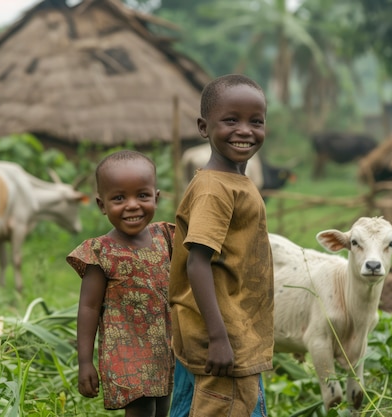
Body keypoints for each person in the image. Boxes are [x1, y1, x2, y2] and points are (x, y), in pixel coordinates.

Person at [169, 74, 274, 417]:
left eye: (255, 121)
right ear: (203, 127)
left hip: (234, 330)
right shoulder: (215, 189)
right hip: (221, 336)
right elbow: (197, 262)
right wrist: (218, 338)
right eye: (231, 120)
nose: (244, 130)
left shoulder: (236, 181)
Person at [67, 150, 175, 417]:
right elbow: (89, 308)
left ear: (156, 198)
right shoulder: (100, 252)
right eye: (118, 198)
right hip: (126, 352)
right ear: (102, 205)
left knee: (163, 409)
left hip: (165, 348)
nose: (132, 205)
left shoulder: (166, 238)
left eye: (142, 195)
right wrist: (85, 362)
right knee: (142, 408)